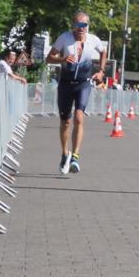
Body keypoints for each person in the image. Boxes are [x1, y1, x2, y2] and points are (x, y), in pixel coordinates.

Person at [46, 11, 107, 175]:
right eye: (78, 25)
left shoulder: (94, 40)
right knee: (65, 122)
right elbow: (48, 58)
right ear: (73, 25)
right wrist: (62, 59)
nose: (81, 28)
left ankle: (75, 157)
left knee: (79, 117)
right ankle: (64, 153)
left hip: (83, 83)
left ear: (88, 26)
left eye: (84, 25)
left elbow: (103, 52)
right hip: (65, 84)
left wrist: (101, 71)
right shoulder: (64, 38)